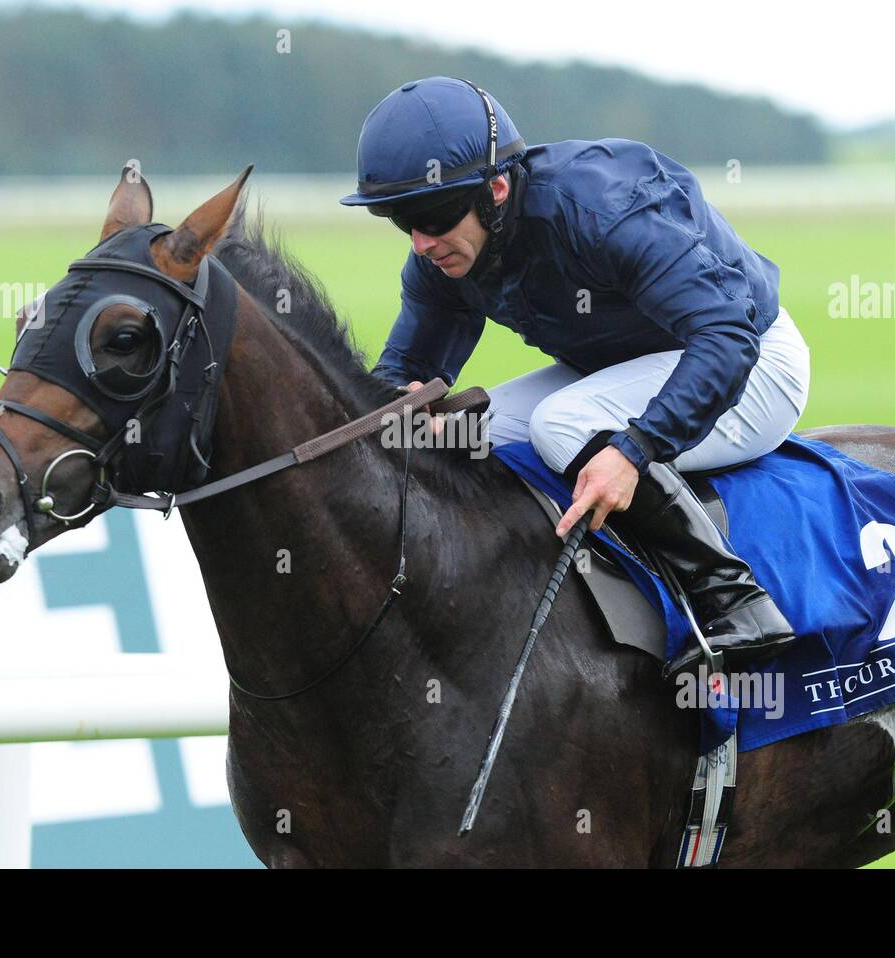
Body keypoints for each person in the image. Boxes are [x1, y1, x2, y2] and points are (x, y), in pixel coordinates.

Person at [340, 77, 810, 679]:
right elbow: (404, 375)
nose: (422, 242)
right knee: (461, 434)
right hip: (630, 370)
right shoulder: (445, 251)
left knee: (560, 423)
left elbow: (725, 337)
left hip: (751, 364)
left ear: (497, 189)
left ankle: (734, 599)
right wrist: (396, 404)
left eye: (431, 216)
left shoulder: (603, 209)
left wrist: (635, 451)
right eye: (400, 220)